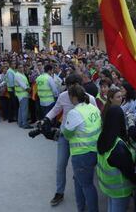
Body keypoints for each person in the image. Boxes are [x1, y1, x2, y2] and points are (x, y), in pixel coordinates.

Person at [45, 74, 97, 206]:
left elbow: (96, 117)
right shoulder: (63, 96)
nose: (69, 93)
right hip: (65, 136)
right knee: (60, 166)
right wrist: (46, 119)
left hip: (81, 141)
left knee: (78, 170)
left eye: (72, 89)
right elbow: (55, 109)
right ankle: (59, 192)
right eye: (68, 89)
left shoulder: (90, 99)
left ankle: (81, 197)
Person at [63, 85, 101, 212]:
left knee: (87, 185)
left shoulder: (74, 112)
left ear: (73, 97)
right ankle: (81, 208)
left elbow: (67, 134)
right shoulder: (92, 107)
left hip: (81, 154)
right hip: (94, 150)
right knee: (79, 180)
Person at [97, 105, 136, 212]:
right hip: (120, 191)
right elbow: (129, 171)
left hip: (108, 187)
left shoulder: (103, 137)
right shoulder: (118, 147)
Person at [15, 62, 32, 129]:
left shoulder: (22, 74)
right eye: (19, 67)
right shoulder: (18, 75)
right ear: (17, 68)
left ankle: (20, 123)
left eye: (22, 67)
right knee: (24, 110)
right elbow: (24, 86)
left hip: (23, 94)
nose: (21, 69)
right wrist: (30, 91)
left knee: (21, 109)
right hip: (22, 94)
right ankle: (24, 124)